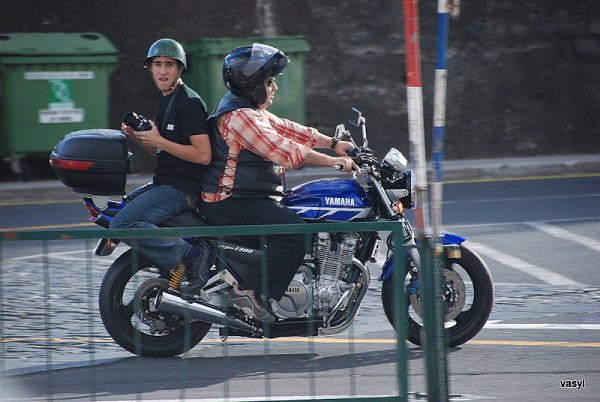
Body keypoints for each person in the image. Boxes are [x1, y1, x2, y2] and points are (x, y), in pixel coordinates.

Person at [201, 43, 358, 322]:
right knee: (295, 233)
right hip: (230, 203)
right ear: (252, 84)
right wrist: (333, 162)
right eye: (269, 82)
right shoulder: (240, 117)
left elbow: (290, 129)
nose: (274, 88)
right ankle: (249, 291)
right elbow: (282, 150)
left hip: (247, 198)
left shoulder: (251, 111)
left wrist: (334, 143)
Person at [110, 38, 213, 290]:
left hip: (182, 188)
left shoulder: (189, 102)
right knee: (117, 209)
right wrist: (139, 139)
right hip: (166, 182)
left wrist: (159, 140)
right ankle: (171, 268)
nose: (163, 71)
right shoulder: (168, 99)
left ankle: (192, 255)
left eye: (169, 64)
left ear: (180, 69)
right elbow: (165, 153)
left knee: (121, 225)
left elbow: (203, 155)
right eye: (157, 64)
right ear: (150, 68)